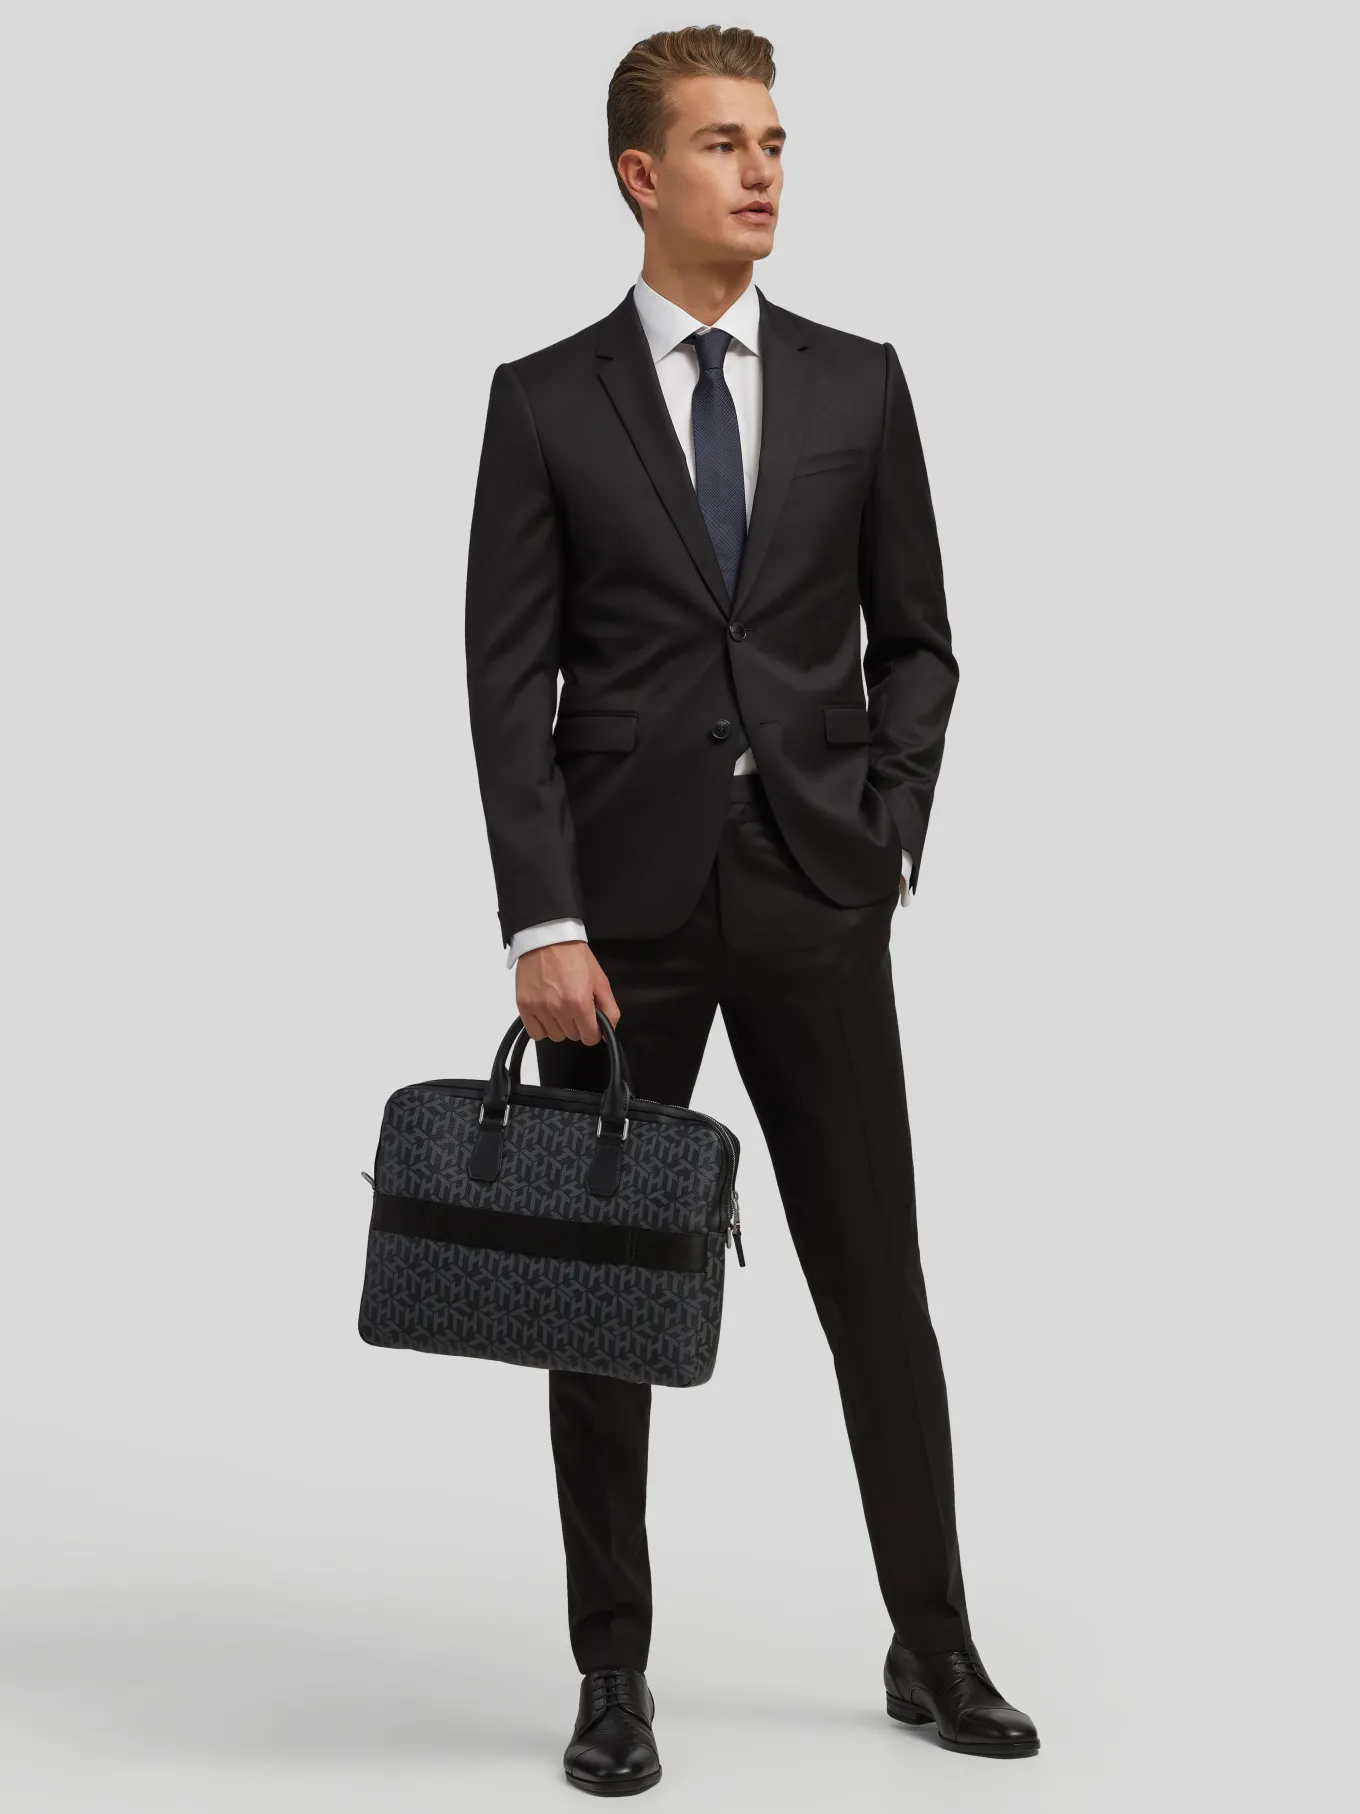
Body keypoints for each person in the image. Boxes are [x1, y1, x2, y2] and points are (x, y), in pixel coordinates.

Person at [463, 23, 1038, 1794]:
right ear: (641, 175)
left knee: (880, 1285)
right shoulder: (546, 400)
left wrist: (889, 828)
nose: (764, 169)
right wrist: (542, 921)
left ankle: (932, 1640)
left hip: (815, 897)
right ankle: (612, 1672)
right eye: (724, 143)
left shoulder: (860, 384)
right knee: (603, 1305)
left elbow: (919, 637)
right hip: (617, 930)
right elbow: (506, 681)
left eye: (775, 140)